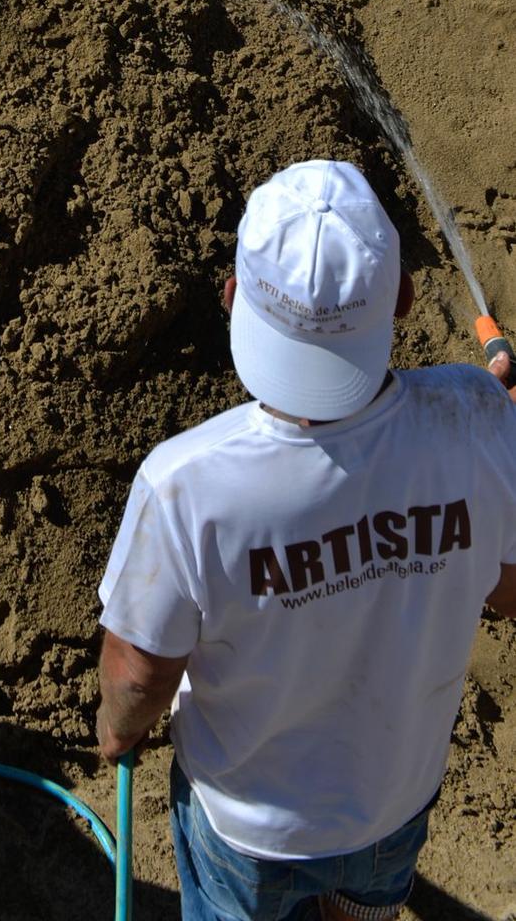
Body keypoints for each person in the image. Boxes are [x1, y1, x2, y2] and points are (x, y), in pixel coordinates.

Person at [97, 159, 516, 921]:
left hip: (249, 833)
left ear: (232, 300)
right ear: (402, 298)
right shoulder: (476, 418)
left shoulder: (184, 484)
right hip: (390, 809)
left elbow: (135, 677)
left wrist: (116, 733)